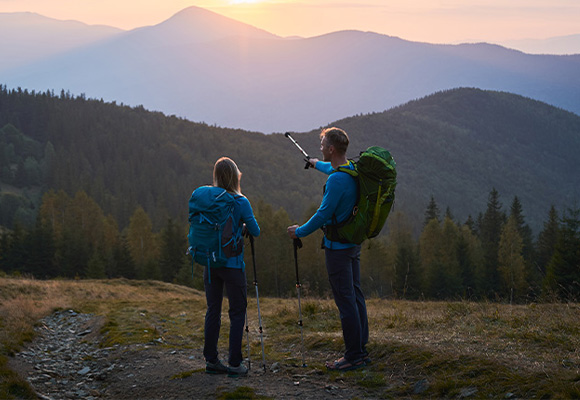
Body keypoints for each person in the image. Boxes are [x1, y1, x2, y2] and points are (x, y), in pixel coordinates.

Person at [287, 127, 369, 371]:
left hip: (337, 249)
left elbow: (323, 214)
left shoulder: (336, 181)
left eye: (322, 144)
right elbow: (331, 168)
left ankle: (353, 355)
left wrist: (299, 231)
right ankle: (361, 348)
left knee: (345, 303)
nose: (320, 147)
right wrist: (314, 163)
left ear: (331, 149)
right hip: (352, 243)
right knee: (355, 296)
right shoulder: (351, 169)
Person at [202, 157, 260, 376]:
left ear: (216, 176)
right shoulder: (240, 201)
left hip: (210, 262)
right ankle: (235, 363)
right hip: (233, 265)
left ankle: (211, 360)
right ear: (235, 176)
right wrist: (242, 224)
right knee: (237, 312)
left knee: (213, 310)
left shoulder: (208, 199)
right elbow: (256, 231)